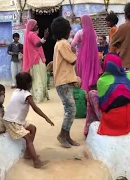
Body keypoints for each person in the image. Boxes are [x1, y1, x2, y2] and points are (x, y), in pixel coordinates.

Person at [3, 72, 54, 168]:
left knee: (33, 128)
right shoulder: (27, 94)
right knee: (28, 138)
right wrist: (46, 118)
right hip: (12, 121)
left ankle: (28, 153)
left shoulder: (16, 91)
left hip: (17, 120)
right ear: (29, 84)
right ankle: (36, 162)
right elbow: (35, 108)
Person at [51, 17, 80, 148]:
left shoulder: (59, 43)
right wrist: (75, 52)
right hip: (63, 82)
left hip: (64, 81)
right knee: (71, 110)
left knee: (70, 109)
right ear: (66, 31)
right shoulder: (63, 43)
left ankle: (66, 136)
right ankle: (62, 135)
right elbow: (73, 59)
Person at [97, 53, 130, 136]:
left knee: (92, 94)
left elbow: (103, 106)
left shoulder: (101, 80)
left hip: (113, 123)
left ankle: (87, 129)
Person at [72, 14, 102, 92]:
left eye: (81, 22)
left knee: (82, 73)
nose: (80, 24)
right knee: (90, 72)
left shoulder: (79, 33)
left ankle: (84, 90)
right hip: (92, 57)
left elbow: (72, 45)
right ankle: (91, 88)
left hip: (81, 57)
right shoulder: (94, 33)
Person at [23, 19, 49, 103]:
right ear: (31, 26)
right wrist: (44, 38)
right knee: (39, 77)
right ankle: (38, 97)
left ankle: (37, 95)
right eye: (35, 25)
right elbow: (37, 44)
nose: (37, 26)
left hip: (35, 60)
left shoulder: (29, 34)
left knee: (36, 77)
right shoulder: (31, 34)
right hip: (37, 60)